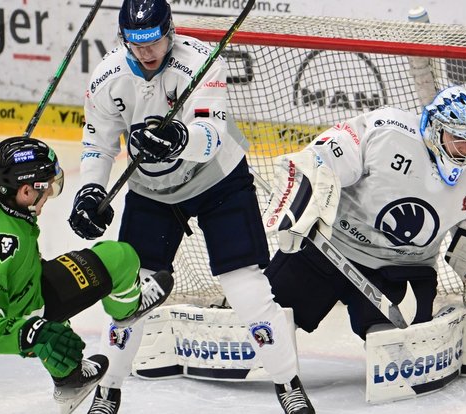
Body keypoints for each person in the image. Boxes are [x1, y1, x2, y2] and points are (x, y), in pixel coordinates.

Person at [66, 0, 313, 413]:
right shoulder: (108, 77)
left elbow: (211, 132)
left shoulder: (200, 61)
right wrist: (91, 191)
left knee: (246, 289)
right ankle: (108, 391)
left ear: (170, 32)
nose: (146, 53)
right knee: (131, 294)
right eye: (136, 43)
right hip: (152, 192)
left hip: (219, 181)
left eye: (154, 41)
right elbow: (98, 144)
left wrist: (180, 138)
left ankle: (288, 384)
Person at [0, 136, 173, 414]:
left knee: (55, 319)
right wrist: (31, 333)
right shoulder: (3, 245)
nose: (48, 192)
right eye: (44, 188)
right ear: (24, 191)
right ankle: (127, 310)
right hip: (4, 298)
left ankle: (69, 378)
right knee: (120, 260)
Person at [262, 85, 466, 342]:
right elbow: (320, 160)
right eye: (457, 138)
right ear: (435, 128)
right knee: (263, 326)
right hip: (331, 247)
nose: (465, 150)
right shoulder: (387, 132)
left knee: (399, 349)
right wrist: (301, 200)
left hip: (403, 269)